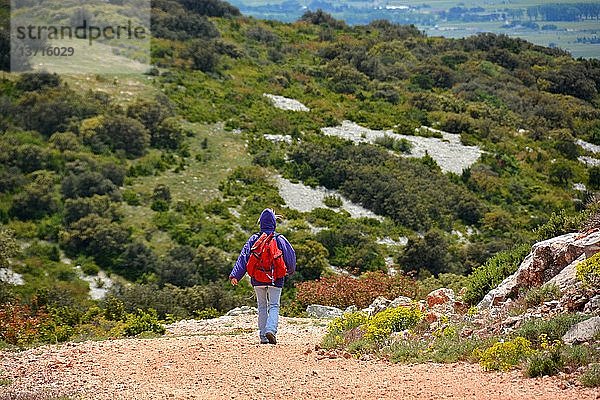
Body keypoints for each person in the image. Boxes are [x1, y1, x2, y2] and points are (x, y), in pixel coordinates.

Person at [229, 208, 296, 345]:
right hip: (275, 279)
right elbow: (291, 256)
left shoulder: (254, 239)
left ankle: (263, 337)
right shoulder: (280, 239)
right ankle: (271, 330)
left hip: (257, 279)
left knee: (262, 306)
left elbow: (243, 257)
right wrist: (290, 270)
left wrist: (236, 275)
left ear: (261, 223)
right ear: (274, 223)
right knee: (274, 305)